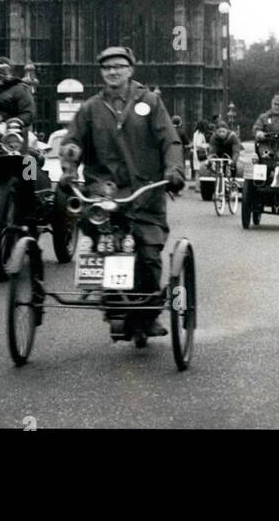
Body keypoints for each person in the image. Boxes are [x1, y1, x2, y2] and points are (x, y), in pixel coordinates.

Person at [59, 45, 184, 339]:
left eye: (118, 66)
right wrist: (69, 162)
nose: (113, 72)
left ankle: (149, 312)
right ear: (102, 73)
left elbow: (171, 142)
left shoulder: (150, 102)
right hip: (102, 194)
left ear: (130, 70)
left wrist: (174, 170)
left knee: (148, 254)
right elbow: (72, 141)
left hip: (144, 193)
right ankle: (112, 298)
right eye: (107, 68)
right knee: (103, 245)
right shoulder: (90, 108)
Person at [0, 58, 36, 132]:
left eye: (3, 71)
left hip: (10, 131)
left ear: (10, 72)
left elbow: (28, 113)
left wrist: (12, 123)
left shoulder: (20, 89)